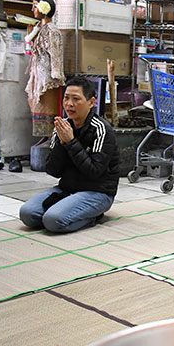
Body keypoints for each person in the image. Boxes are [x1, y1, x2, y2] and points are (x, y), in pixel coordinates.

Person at [19, 76, 119, 233]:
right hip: (67, 189)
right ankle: (69, 209)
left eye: (76, 99)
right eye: (66, 98)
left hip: (98, 192)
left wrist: (71, 142)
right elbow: (53, 171)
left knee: (53, 221)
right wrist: (62, 142)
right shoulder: (62, 127)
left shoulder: (101, 129)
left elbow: (94, 172)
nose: (69, 104)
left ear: (91, 102)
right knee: (27, 214)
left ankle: (93, 216)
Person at [22, 0, 65, 172]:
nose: (33, 9)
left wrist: (56, 76)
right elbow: (31, 53)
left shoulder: (52, 31)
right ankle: (44, 138)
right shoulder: (40, 29)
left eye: (35, 6)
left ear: (44, 8)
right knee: (37, 107)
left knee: (48, 110)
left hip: (48, 80)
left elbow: (55, 56)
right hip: (37, 77)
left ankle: (50, 139)